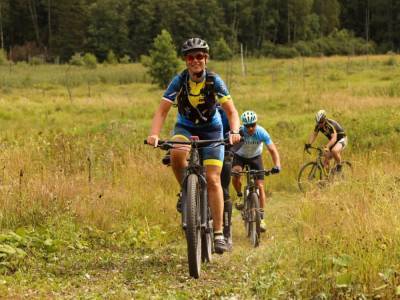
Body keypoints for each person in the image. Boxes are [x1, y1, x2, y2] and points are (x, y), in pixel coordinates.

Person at [146, 38, 241, 254]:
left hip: (212, 129)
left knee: (214, 179)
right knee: (178, 153)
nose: (195, 60)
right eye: (191, 57)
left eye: (200, 56)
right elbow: (162, 111)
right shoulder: (179, 81)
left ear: (206, 59)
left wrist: (234, 132)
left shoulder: (215, 81)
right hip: (185, 127)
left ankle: (218, 234)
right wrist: (154, 134)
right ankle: (185, 191)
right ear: (186, 60)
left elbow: (231, 111)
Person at [231, 111, 281, 232]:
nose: (251, 128)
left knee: (260, 186)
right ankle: (239, 195)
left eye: (253, 125)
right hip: (240, 157)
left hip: (255, 157)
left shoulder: (261, 132)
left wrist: (277, 165)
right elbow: (230, 146)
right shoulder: (239, 131)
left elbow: (273, 150)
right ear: (244, 125)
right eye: (248, 126)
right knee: (236, 174)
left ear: (256, 123)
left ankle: (261, 217)